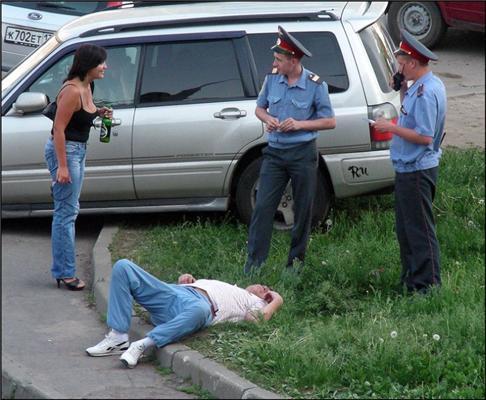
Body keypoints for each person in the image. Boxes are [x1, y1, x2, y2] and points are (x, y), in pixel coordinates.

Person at [244, 26, 336, 275]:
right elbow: (259, 108)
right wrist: (267, 119)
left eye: (279, 59)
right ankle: (254, 266)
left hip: (303, 154)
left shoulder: (316, 84)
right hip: (275, 153)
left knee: (302, 210)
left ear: (293, 60)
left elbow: (330, 121)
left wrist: (299, 124)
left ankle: (295, 266)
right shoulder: (272, 79)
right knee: (263, 208)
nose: (274, 62)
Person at [86, 259, 283, 369]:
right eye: (263, 286)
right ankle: (118, 337)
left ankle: (144, 344)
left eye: (266, 290)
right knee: (123, 266)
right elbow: (189, 292)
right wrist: (185, 282)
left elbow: (254, 320)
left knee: (200, 309)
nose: (262, 287)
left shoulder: (253, 302)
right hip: (176, 294)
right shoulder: (232, 288)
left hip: (201, 308)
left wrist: (276, 301)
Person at [373, 30, 446, 294]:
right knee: (406, 229)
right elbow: (410, 116)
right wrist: (403, 89)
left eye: (401, 63)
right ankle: (412, 280)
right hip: (408, 168)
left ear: (413, 63)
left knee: (419, 230)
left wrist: (389, 127)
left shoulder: (426, 93)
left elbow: (424, 136)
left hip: (417, 170)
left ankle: (428, 287)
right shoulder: (422, 87)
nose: (398, 67)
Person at [44, 44, 112, 291]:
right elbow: (59, 130)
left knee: (70, 210)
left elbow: (81, 116)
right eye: (101, 63)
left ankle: (64, 269)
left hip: (78, 151)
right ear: (88, 65)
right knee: (65, 213)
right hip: (65, 152)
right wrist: (62, 167)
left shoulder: (88, 86)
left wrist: (98, 113)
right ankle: (64, 273)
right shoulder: (72, 90)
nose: (105, 67)